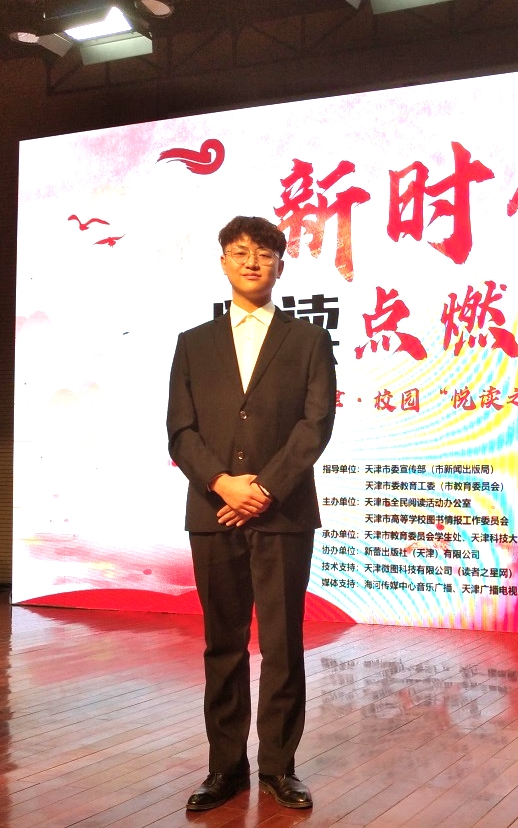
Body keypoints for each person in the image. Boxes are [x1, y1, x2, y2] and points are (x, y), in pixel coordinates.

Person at [167, 215, 336, 811]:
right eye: (239, 252)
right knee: (223, 644)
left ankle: (280, 768)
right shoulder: (193, 343)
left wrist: (263, 489)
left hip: (282, 513)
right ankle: (225, 768)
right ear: (223, 263)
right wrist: (221, 484)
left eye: (264, 254)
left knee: (283, 643)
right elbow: (180, 430)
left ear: (280, 266)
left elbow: (316, 424)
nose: (252, 262)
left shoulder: (308, 340)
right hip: (213, 513)